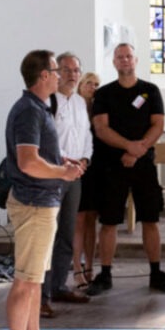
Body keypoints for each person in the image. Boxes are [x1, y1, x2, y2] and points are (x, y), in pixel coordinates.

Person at [3, 50, 84, 330]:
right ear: (44, 76)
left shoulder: (38, 107)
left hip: (42, 202)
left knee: (35, 280)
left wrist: (61, 160)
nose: (61, 75)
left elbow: (38, 154)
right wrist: (61, 174)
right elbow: (27, 162)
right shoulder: (29, 111)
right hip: (34, 204)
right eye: (56, 69)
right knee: (25, 282)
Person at [86, 43, 165, 295]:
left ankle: (156, 272)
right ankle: (104, 274)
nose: (124, 60)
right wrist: (129, 147)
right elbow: (101, 128)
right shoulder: (103, 94)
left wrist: (139, 150)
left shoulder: (150, 90)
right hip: (110, 167)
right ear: (114, 62)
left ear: (136, 60)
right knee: (109, 222)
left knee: (151, 219)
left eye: (128, 56)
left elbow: (158, 124)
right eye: (119, 57)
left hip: (143, 165)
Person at [40, 53, 93, 318]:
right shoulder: (49, 102)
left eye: (76, 69)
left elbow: (86, 136)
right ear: (57, 72)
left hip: (75, 177)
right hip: (53, 177)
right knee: (47, 237)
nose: (73, 74)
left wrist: (84, 159)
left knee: (67, 235)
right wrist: (65, 165)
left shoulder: (81, 103)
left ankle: (59, 286)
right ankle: (41, 297)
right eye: (67, 69)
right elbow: (47, 142)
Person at [72, 71, 100, 291]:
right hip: (78, 166)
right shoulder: (73, 107)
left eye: (96, 84)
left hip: (96, 168)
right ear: (80, 86)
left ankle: (91, 267)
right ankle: (77, 269)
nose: (93, 87)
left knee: (92, 219)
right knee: (79, 220)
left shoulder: (100, 109)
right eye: (89, 83)